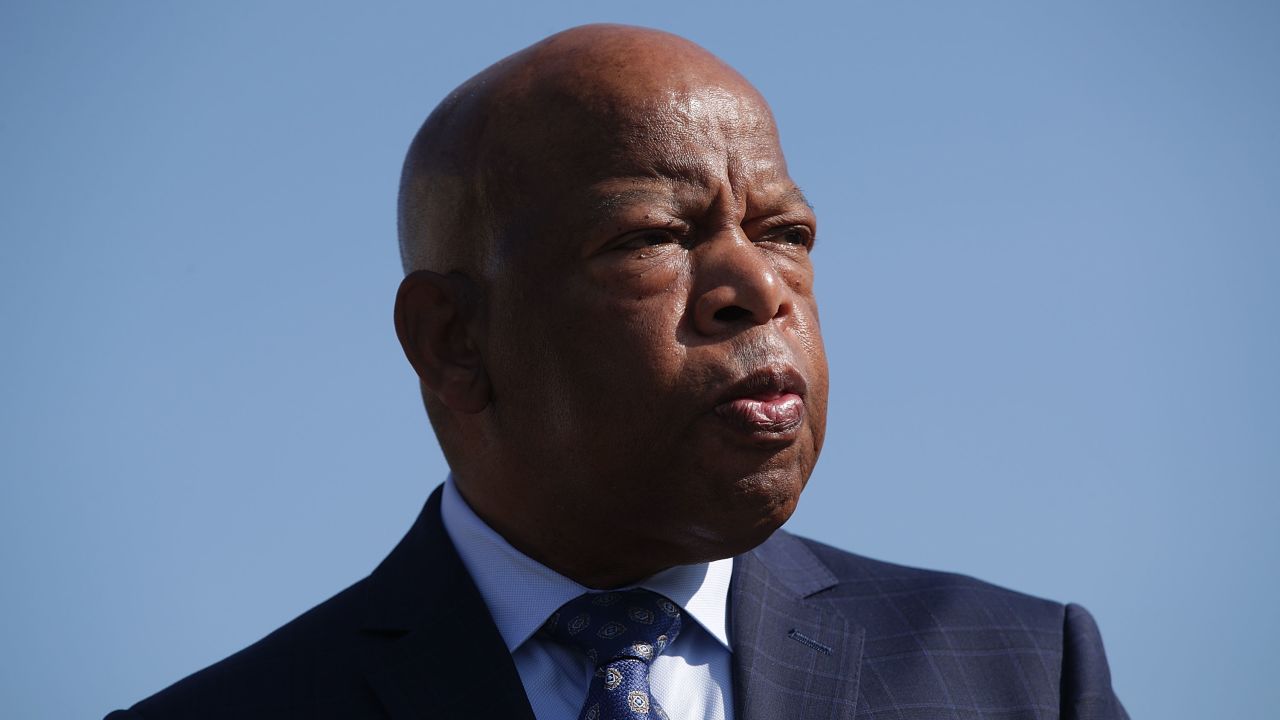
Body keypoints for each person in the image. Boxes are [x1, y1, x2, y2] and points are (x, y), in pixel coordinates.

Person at [107, 24, 1127, 720]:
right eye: (651, 237)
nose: (753, 285)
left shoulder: (1022, 676)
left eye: (786, 232)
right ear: (453, 339)